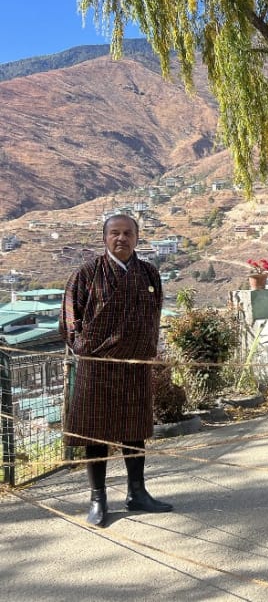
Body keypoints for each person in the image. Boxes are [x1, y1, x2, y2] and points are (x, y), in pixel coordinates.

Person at [59, 214, 171, 528]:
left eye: (127, 233)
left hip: (136, 365)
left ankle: (137, 492)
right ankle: (98, 498)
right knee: (95, 432)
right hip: (97, 367)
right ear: (104, 237)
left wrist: (147, 349)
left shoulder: (149, 273)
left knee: (134, 430)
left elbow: (155, 315)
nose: (121, 238)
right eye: (114, 233)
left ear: (137, 237)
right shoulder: (87, 274)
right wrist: (85, 349)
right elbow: (69, 320)